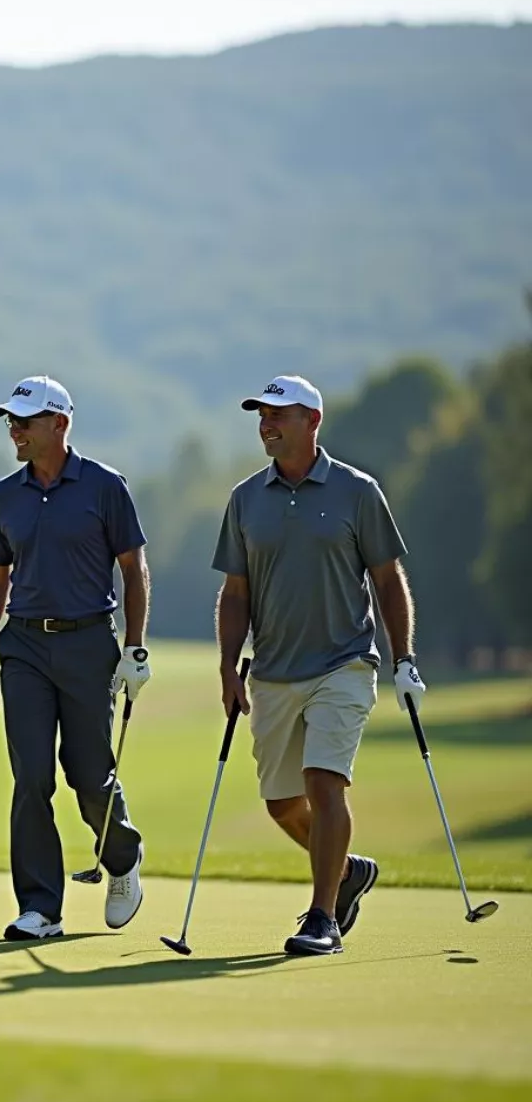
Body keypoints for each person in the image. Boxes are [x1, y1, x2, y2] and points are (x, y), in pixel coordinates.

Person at [213, 374, 425, 956]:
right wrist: (229, 668)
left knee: (323, 782)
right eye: (261, 414)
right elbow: (235, 592)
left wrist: (404, 657)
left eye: (278, 413)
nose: (266, 422)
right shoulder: (245, 498)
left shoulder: (358, 491)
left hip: (344, 663)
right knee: (282, 803)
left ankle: (322, 916)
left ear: (313, 421)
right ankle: (347, 872)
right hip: (274, 671)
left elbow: (388, 579)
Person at [0, 375, 153, 940]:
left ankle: (121, 856)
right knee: (31, 777)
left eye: (25, 421)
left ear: (60, 424)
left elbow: (133, 569)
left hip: (88, 643)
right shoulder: (6, 494)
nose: (14, 431)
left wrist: (134, 647)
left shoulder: (104, 486)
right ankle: (41, 907)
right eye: (11, 422)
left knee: (90, 774)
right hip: (23, 645)